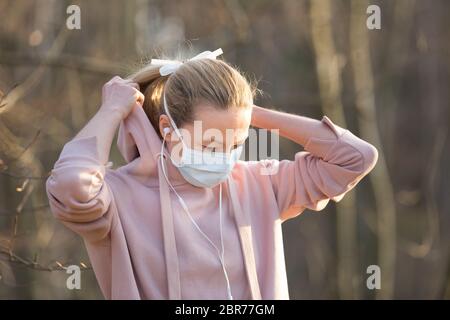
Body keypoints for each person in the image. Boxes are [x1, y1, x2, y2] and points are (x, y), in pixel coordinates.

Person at [45, 48, 378, 299]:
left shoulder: (259, 184)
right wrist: (112, 110)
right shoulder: (118, 197)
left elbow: (355, 158)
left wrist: (249, 113)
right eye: (211, 142)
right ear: (168, 129)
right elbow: (72, 186)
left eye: (237, 142)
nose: (225, 157)